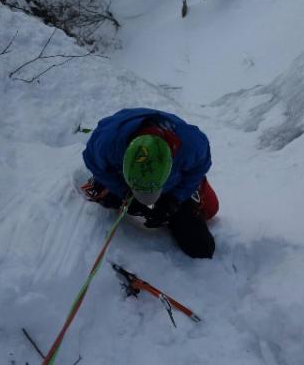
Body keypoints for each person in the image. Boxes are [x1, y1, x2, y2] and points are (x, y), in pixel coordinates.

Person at [81, 108, 218, 258]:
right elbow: (92, 162)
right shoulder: (107, 143)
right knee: (109, 198)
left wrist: (175, 199)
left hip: (173, 184)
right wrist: (122, 191)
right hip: (122, 177)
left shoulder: (191, 146)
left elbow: (198, 169)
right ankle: (107, 187)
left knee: (204, 236)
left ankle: (180, 197)